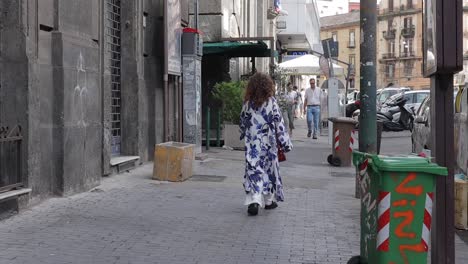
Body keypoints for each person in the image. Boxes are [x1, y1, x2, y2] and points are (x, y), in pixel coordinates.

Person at [239, 73, 293, 216]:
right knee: (269, 171)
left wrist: (244, 133)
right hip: (269, 144)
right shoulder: (271, 102)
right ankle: (269, 201)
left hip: (253, 144)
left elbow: (242, 122)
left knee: (253, 170)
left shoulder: (247, 103)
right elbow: (279, 124)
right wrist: (285, 143)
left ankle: (254, 200)